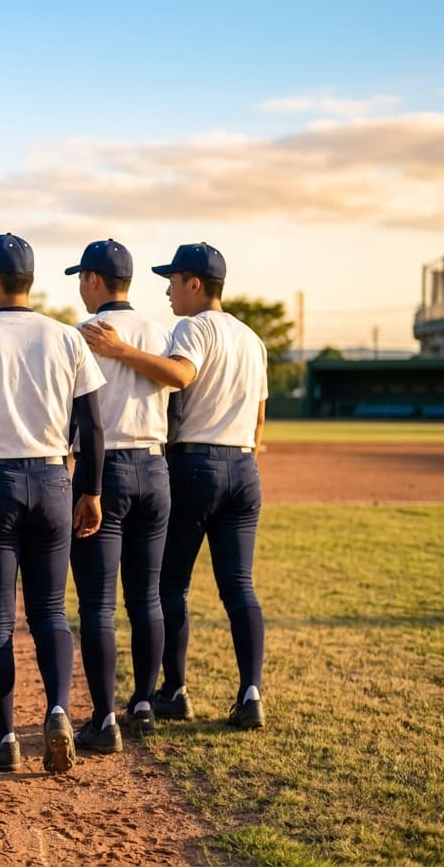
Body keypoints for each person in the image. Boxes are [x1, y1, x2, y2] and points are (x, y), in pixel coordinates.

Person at [80, 242, 267, 730]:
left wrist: (121, 350)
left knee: (169, 586)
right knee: (240, 587)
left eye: (173, 280)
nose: (167, 290)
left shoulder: (192, 327)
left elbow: (181, 377)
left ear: (195, 284)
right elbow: (261, 416)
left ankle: (173, 689)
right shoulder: (252, 338)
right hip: (246, 466)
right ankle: (250, 692)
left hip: (196, 463)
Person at [0, 232, 106, 774]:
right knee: (49, 612)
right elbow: (91, 425)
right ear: (32, 281)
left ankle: (5, 736)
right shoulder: (66, 338)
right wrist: (90, 490)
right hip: (51, 479)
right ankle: (60, 711)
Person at [63, 240, 172, 753]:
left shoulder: (82, 334)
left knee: (98, 605)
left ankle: (105, 720)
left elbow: (73, 411)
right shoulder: (159, 329)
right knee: (146, 595)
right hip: (155, 466)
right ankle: (144, 703)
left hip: (102, 472)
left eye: (80, 278)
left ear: (92, 279)